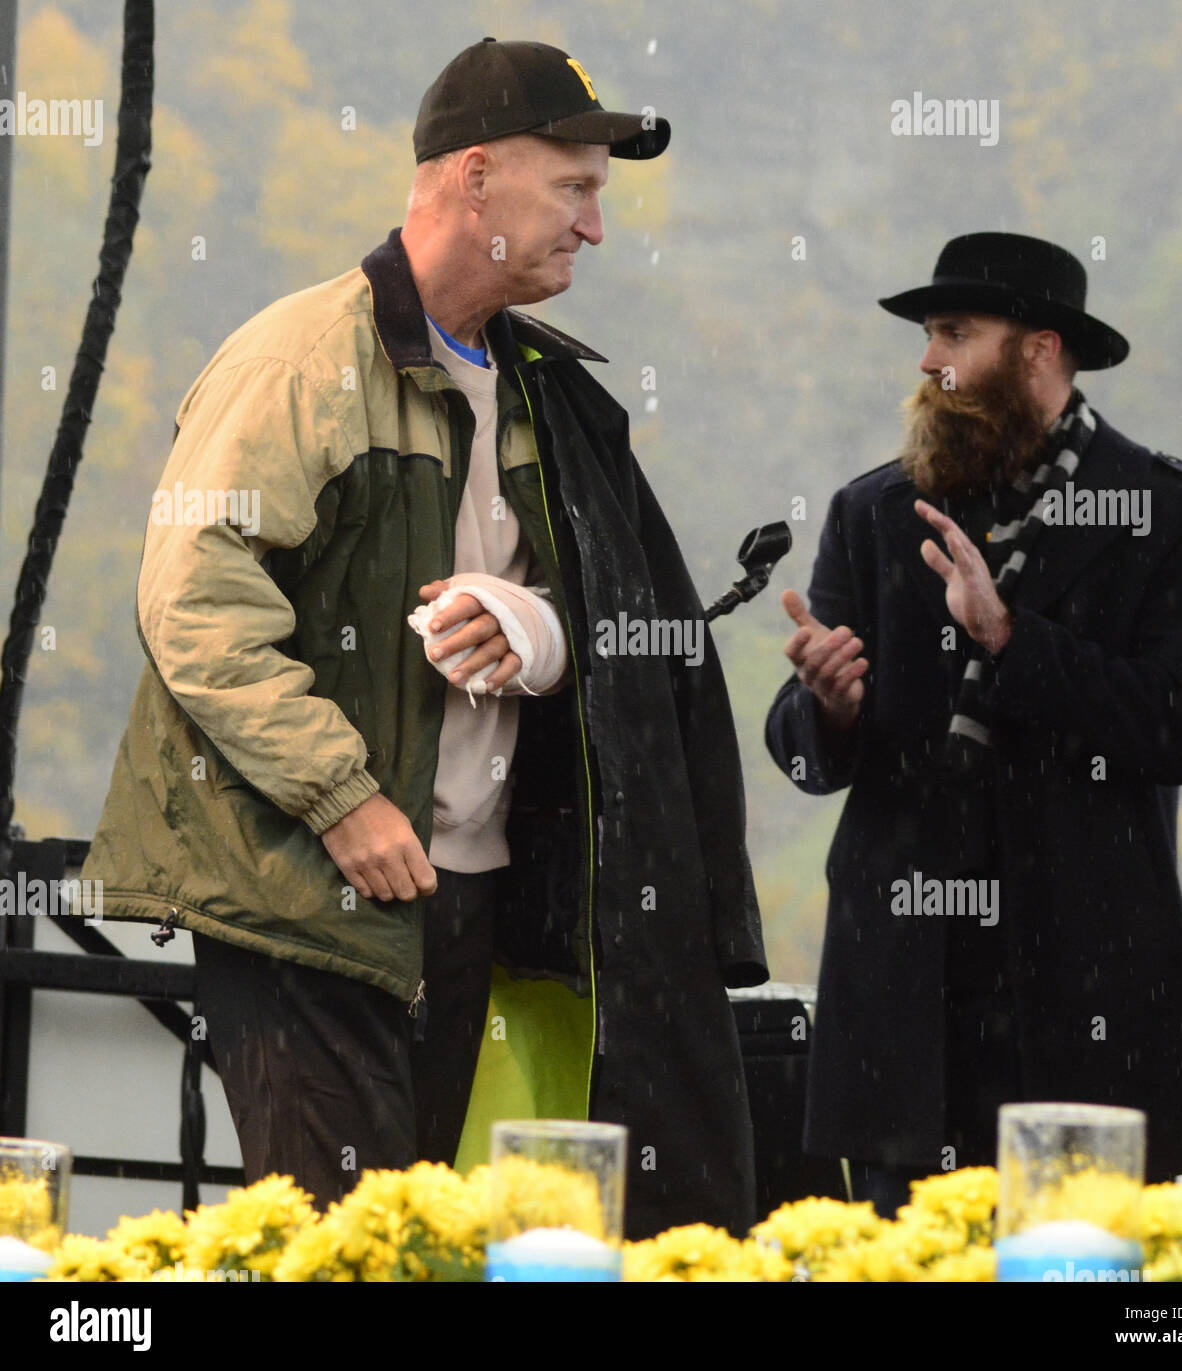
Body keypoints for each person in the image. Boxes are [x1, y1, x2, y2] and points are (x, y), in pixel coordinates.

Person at [84, 37, 766, 1240]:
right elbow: (192, 599)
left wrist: (539, 632)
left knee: (406, 1245)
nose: (595, 228)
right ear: (472, 178)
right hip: (308, 890)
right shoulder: (300, 359)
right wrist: (342, 797)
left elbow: (621, 613)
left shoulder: (551, 387)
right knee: (338, 1248)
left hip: (462, 897)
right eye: (575, 188)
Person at [765, 232, 1182, 1218]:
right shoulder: (874, 514)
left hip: (1091, 1004)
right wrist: (827, 704)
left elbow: (1177, 728)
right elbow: (806, 753)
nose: (927, 361)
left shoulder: (1176, 517)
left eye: (954, 332)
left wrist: (1008, 637)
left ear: (1038, 350)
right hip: (905, 1006)